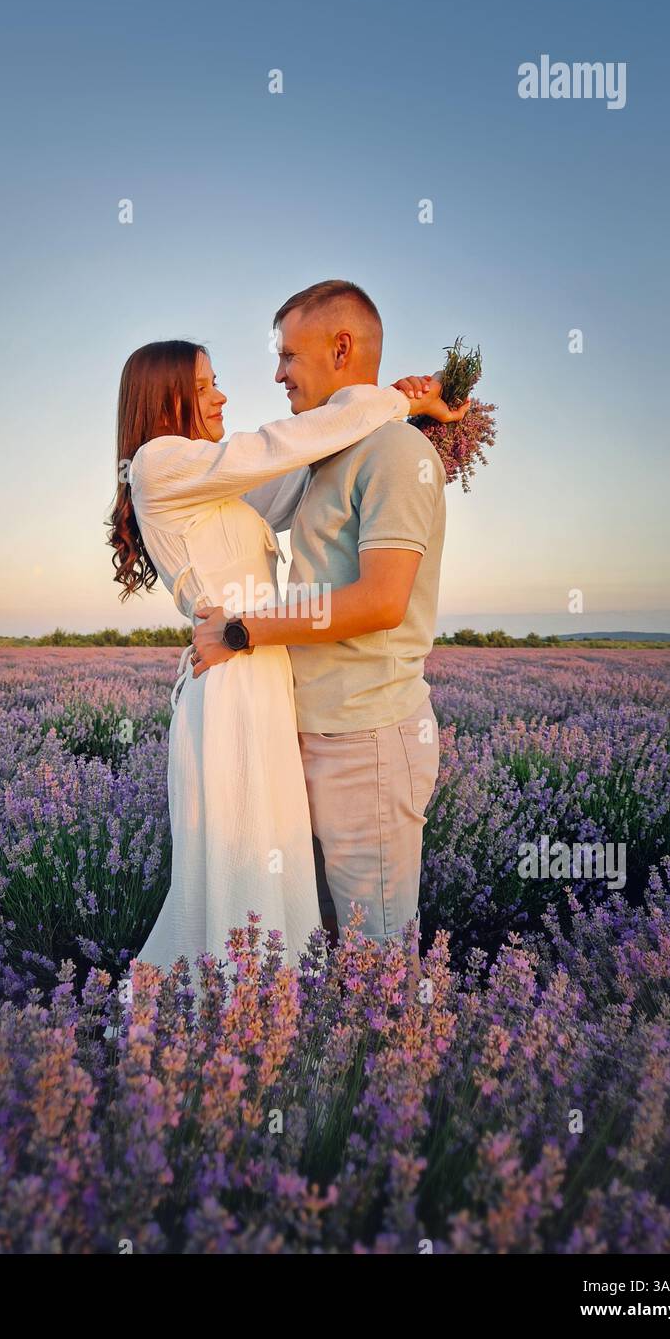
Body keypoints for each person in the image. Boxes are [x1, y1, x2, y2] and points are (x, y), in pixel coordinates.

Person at [107, 332, 463, 977]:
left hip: (264, 676)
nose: (222, 396)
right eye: (203, 387)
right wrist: (386, 401)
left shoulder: (209, 479)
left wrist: (394, 407)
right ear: (163, 402)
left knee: (278, 867)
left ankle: (269, 1017)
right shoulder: (162, 462)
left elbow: (298, 474)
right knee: (246, 869)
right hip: (233, 682)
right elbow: (280, 446)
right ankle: (232, 1021)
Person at [192, 280, 453, 971]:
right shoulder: (322, 454)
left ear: (340, 348)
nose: (277, 375)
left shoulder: (396, 453)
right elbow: (227, 486)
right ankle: (328, 1076)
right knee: (316, 942)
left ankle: (399, 1073)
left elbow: (379, 601)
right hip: (306, 731)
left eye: (288, 356)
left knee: (376, 956)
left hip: (364, 738)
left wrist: (243, 630)